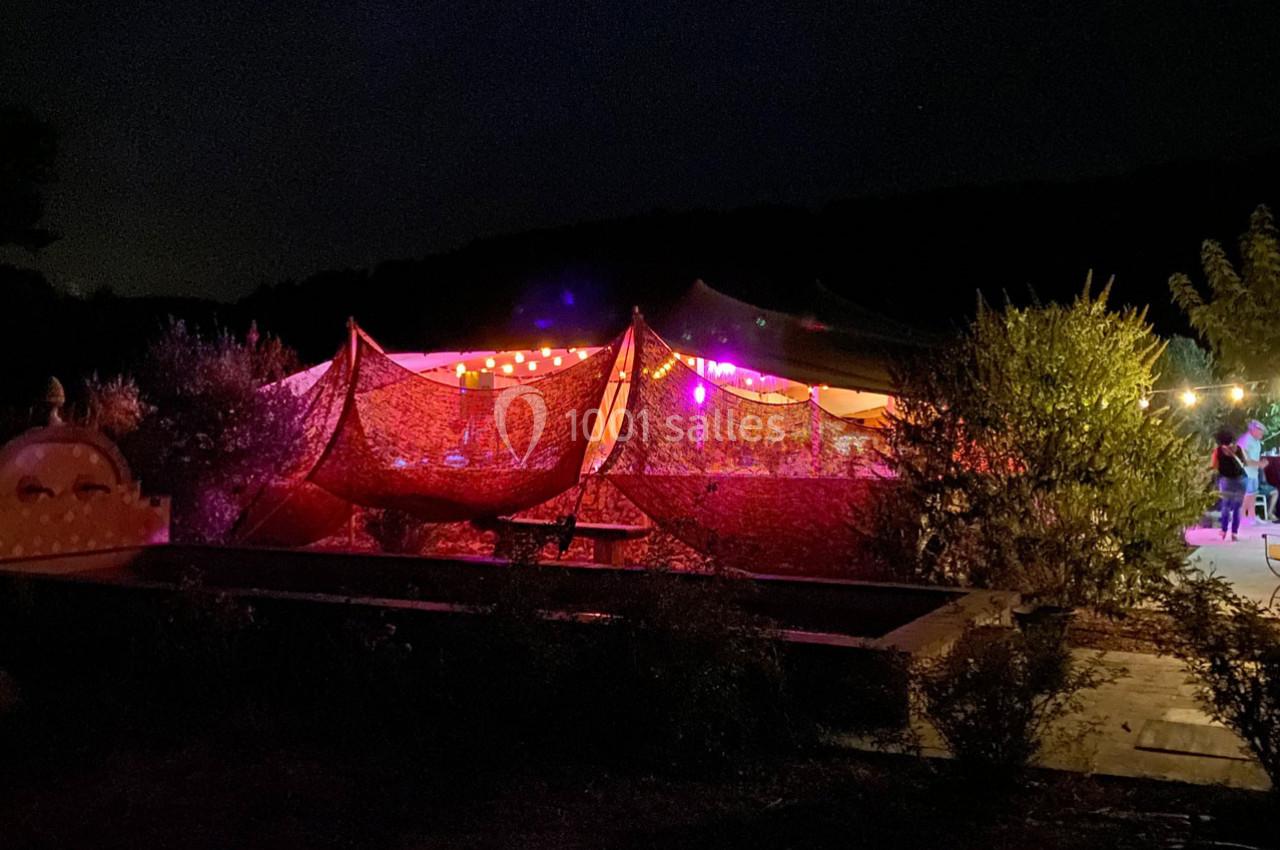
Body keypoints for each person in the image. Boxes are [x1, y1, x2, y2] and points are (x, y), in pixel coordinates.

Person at [1237, 419, 1277, 522]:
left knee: (1253, 496)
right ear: (1253, 429)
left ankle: (1252, 518)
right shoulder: (1245, 440)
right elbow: (1243, 460)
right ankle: (1242, 519)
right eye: (1261, 431)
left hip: (1254, 473)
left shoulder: (1257, 442)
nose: (1262, 434)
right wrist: (1259, 464)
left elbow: (1254, 457)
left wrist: (1260, 462)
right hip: (1245, 473)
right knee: (1247, 497)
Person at [1214, 427, 1249, 541]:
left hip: (1226, 481)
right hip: (1241, 480)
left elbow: (1214, 466)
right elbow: (1246, 463)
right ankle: (1234, 533)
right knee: (1237, 508)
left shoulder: (1218, 451)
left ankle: (1224, 530)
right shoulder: (1238, 448)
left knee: (1225, 506)